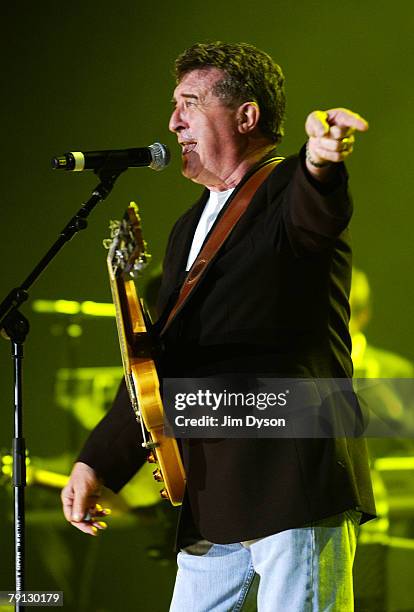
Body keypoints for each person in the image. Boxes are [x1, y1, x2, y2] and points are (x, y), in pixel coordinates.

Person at [61, 42, 376, 611]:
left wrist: (323, 159)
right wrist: (98, 462)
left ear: (246, 116)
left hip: (289, 477)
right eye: (174, 105)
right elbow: (162, 362)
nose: (173, 122)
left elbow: (317, 208)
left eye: (190, 103)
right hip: (213, 491)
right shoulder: (187, 229)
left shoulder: (285, 190)